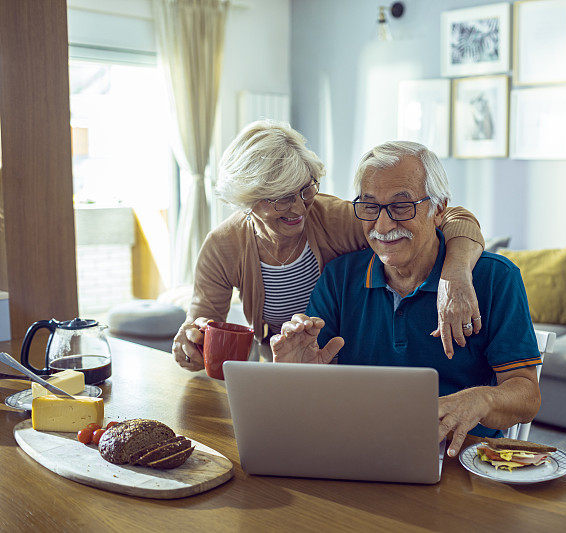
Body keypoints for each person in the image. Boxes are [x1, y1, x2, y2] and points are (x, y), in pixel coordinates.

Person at [270, 141, 541, 458]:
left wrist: (482, 399)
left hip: (459, 457)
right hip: (361, 450)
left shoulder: (495, 278)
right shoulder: (338, 277)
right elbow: (312, 398)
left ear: (438, 208)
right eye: (370, 207)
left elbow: (527, 396)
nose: (383, 225)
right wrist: (294, 376)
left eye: (401, 207)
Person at [172, 121, 485, 369]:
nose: (298, 208)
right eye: (281, 198)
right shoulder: (223, 246)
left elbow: (453, 215)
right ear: (248, 202)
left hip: (342, 366)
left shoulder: (336, 218)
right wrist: (192, 344)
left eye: (304, 189)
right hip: (287, 372)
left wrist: (455, 274)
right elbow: (202, 321)